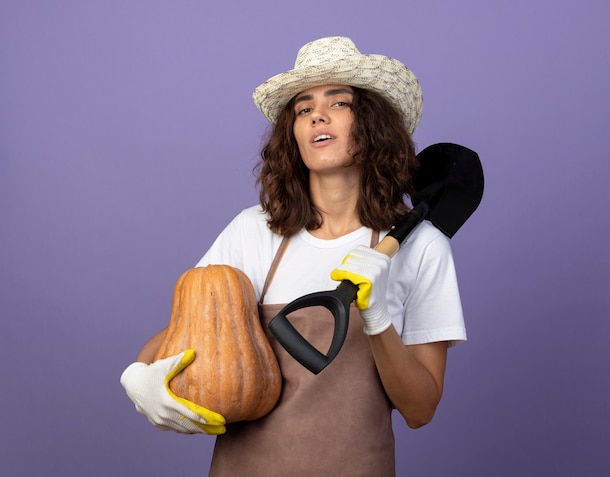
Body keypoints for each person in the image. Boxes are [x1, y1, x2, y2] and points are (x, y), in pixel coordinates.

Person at [120, 36, 466, 476]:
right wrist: (139, 375)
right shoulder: (255, 231)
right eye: (303, 109)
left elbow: (420, 409)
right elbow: (184, 332)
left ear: (375, 126)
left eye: (339, 103)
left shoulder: (421, 246)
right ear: (294, 136)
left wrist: (377, 318)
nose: (317, 114)